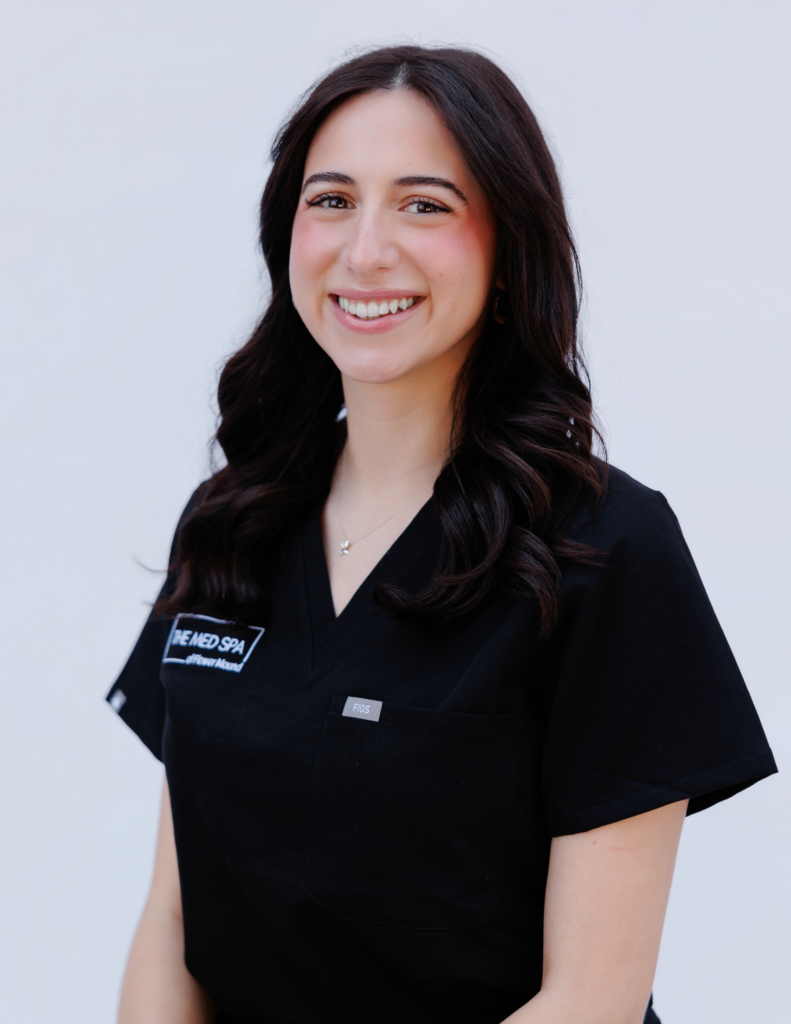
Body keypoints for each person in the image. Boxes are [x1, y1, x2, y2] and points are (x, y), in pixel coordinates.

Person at [106, 45, 776, 1024]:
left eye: (424, 205)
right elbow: (173, 918)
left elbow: (590, 998)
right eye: (331, 200)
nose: (365, 249)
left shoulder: (603, 547)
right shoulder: (232, 524)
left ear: (509, 252)